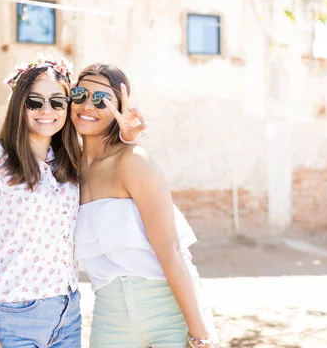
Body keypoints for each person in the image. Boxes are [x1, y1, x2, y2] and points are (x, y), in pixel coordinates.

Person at [0, 54, 145, 348]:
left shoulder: (69, 163)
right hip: (14, 313)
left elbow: (112, 171)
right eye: (34, 102)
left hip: (67, 312)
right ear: (18, 106)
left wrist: (126, 138)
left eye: (57, 102)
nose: (46, 110)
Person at [71, 63, 220, 348]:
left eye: (102, 99)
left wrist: (199, 333)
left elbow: (171, 251)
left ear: (121, 108)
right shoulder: (66, 171)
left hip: (168, 307)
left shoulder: (133, 161)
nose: (88, 104)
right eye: (80, 94)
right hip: (109, 315)